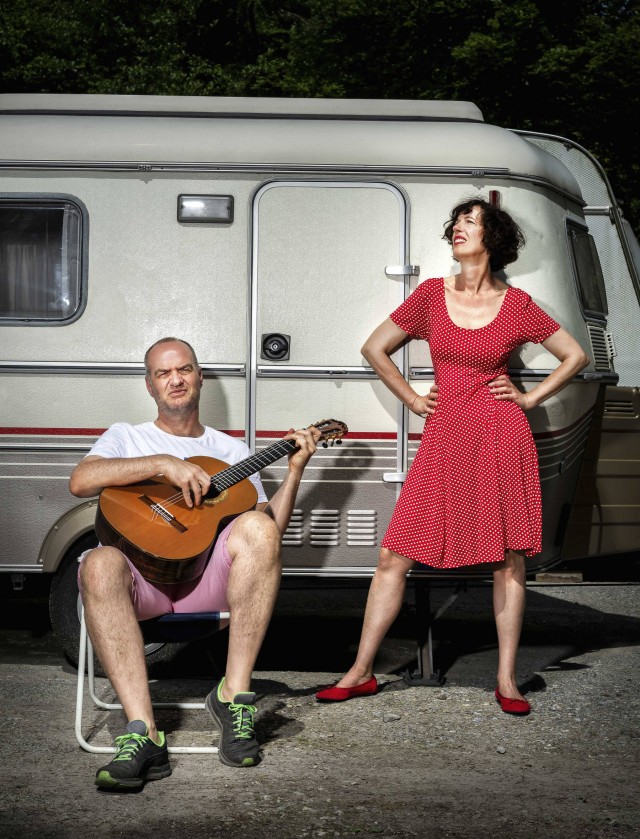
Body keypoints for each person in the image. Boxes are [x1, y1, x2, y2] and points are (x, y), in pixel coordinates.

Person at [316, 197, 589, 715]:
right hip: (445, 439)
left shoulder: (517, 304)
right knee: (393, 555)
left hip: (501, 439)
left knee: (508, 563)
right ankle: (360, 671)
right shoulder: (430, 296)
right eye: (456, 223)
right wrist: (414, 399)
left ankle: (507, 680)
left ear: (494, 239)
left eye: (470, 222)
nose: (458, 230)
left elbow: (576, 356)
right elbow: (375, 348)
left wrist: (530, 398)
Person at [70, 336, 319, 789]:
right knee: (98, 562)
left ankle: (232, 695)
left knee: (259, 530)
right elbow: (82, 481)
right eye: (163, 373)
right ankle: (143, 733)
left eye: (183, 369)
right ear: (150, 386)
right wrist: (164, 464)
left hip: (206, 578)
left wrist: (296, 469)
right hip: (141, 582)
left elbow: (267, 535)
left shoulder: (231, 450)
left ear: (199, 376)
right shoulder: (127, 436)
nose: (175, 380)